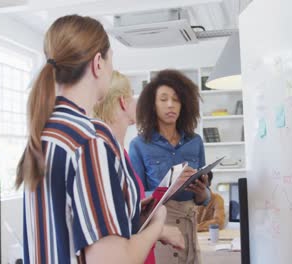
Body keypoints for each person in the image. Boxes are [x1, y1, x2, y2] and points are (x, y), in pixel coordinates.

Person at [15, 15, 183, 264]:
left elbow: (68, 221)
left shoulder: (45, 133)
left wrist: (128, 210)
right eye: (111, 59)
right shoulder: (90, 140)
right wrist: (157, 224)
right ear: (98, 63)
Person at [93, 70, 184, 264]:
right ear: (123, 102)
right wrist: (160, 225)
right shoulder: (103, 156)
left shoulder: (121, 153)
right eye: (132, 95)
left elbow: (121, 220)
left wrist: (137, 211)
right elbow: (113, 241)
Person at [129, 69, 211, 264]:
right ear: (152, 105)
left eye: (176, 99)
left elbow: (205, 195)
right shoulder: (139, 145)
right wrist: (169, 188)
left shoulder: (195, 141)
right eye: (163, 99)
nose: (170, 105)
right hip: (160, 231)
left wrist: (202, 193)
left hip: (190, 227)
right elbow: (137, 198)